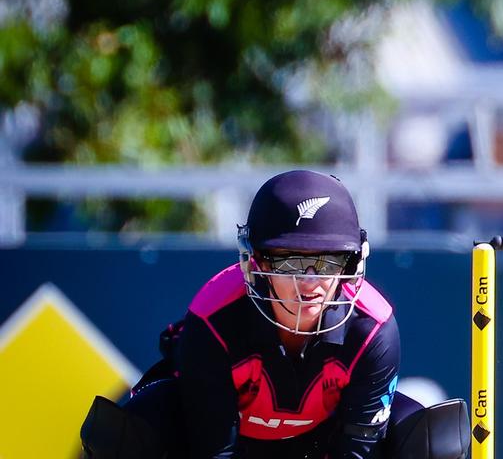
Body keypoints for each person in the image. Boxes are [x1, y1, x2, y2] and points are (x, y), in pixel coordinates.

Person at [79, 169, 468, 459]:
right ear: (255, 263)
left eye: (329, 262)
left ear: (352, 263)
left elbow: (358, 451)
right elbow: (214, 449)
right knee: (118, 436)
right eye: (289, 263)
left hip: (324, 444)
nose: (311, 283)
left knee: (438, 440)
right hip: (227, 445)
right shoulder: (216, 318)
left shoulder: (373, 328)